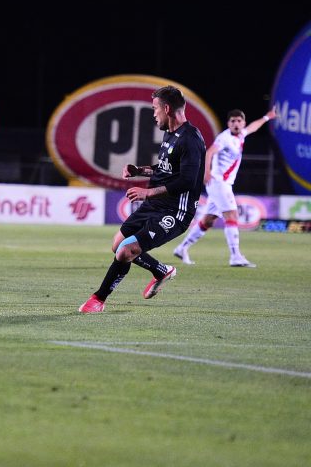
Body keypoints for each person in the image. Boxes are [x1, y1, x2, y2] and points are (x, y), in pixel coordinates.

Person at [79, 85, 206, 313]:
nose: (153, 113)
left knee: (126, 251)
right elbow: (165, 170)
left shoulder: (191, 140)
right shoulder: (170, 133)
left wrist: (148, 192)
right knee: (118, 243)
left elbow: (187, 181)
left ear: (166, 108)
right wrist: (139, 170)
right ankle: (161, 270)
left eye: (155, 108)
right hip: (155, 205)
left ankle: (98, 299)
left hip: (175, 212)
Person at [173, 107, 277, 267]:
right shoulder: (225, 138)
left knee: (208, 220)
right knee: (232, 216)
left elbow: (253, 127)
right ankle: (235, 256)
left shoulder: (241, 134)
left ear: (243, 123)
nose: (236, 124)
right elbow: (209, 153)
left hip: (221, 184)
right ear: (228, 123)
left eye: (239, 121)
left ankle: (182, 248)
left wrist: (267, 117)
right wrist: (206, 172)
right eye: (233, 121)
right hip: (219, 182)